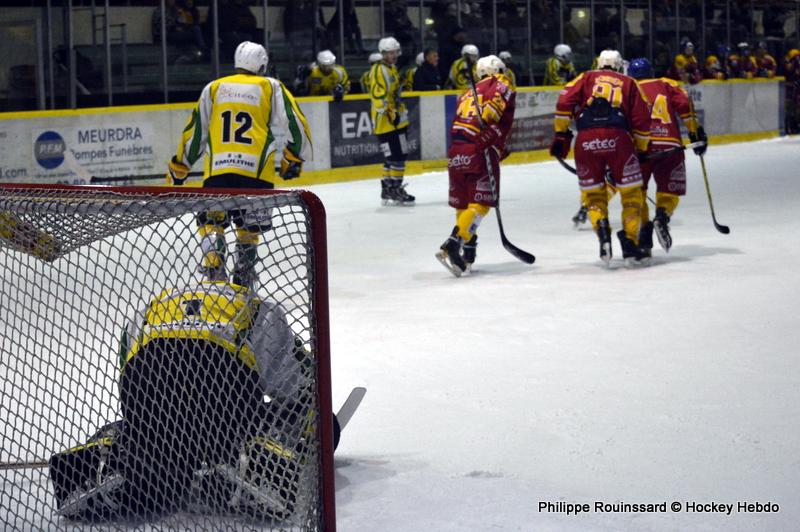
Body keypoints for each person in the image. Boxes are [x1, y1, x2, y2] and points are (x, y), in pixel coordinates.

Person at [49, 280, 336, 521]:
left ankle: (118, 455)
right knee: (274, 418)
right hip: (221, 384)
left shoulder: (155, 304)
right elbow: (297, 387)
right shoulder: (260, 309)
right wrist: (322, 425)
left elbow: (127, 366)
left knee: (145, 440)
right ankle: (244, 459)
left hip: (149, 382)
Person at [166, 42, 312, 287]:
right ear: (262, 64)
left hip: (218, 171)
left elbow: (196, 132)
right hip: (257, 172)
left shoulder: (214, 88)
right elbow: (297, 124)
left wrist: (181, 166)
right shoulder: (270, 86)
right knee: (249, 228)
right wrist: (293, 158)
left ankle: (214, 266)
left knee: (211, 222)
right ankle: (244, 273)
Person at [549, 50, 652, 267]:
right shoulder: (629, 82)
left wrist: (560, 133)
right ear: (618, 65)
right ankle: (630, 242)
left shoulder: (585, 77)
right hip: (619, 138)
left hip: (586, 140)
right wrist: (641, 149)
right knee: (632, 195)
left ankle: (603, 233)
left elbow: (564, 100)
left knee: (594, 197)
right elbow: (642, 119)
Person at [436, 55, 515, 276]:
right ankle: (454, 241)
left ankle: (467, 254)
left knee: (464, 204)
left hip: (456, 152)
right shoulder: (499, 83)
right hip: (479, 150)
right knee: (480, 204)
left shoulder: (466, 94)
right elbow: (490, 114)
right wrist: (491, 138)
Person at [627, 57, 707, 256]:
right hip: (670, 144)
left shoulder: (627, 88)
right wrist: (695, 132)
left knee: (638, 192)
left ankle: (644, 233)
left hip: (640, 148)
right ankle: (662, 215)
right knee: (669, 190)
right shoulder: (666, 83)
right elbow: (685, 106)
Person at [369, 37, 415, 205]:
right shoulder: (379, 70)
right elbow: (378, 98)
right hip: (387, 121)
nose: (393, 55)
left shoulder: (390, 68)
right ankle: (395, 189)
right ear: (383, 54)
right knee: (397, 155)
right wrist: (391, 114)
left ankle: (388, 188)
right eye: (389, 53)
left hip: (395, 119)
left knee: (395, 155)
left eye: (395, 52)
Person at [784, 48, 800, 133]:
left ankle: (794, 124)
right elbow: (788, 69)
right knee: (789, 106)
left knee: (795, 106)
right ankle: (790, 125)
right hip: (790, 86)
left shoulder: (795, 61)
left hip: (795, 86)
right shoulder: (790, 61)